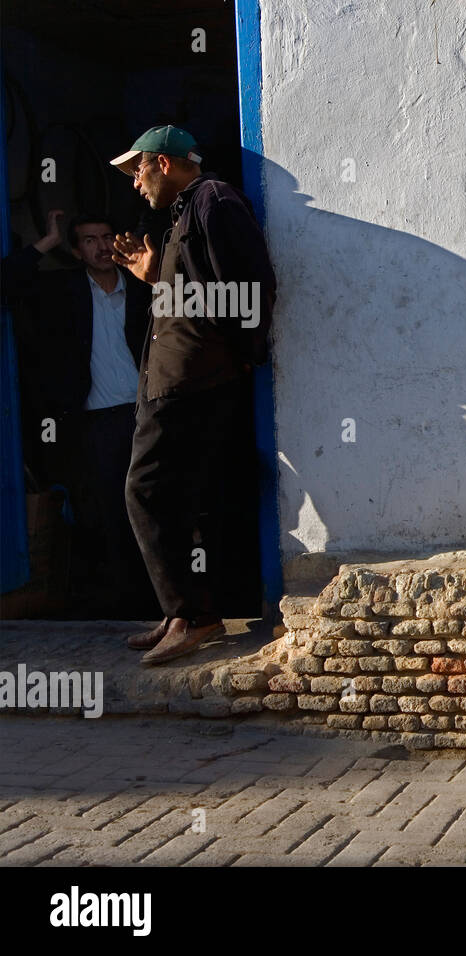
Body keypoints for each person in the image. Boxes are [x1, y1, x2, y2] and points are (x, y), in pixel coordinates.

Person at [108, 125, 276, 665]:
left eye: (137, 169)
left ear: (162, 162)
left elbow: (251, 284)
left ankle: (193, 614)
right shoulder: (184, 211)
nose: (136, 184)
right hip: (176, 377)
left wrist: (241, 354)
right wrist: (156, 275)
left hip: (192, 379)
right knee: (181, 495)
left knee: (145, 489)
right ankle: (185, 613)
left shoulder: (215, 200)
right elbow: (198, 289)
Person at [2, 209, 155, 616]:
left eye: (107, 236)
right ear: (75, 250)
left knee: (156, 508)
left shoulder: (144, 288)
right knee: (107, 513)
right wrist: (47, 242)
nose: (102, 246)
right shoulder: (62, 291)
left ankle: (168, 605)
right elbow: (5, 283)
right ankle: (125, 605)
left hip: (147, 415)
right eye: (89, 239)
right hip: (96, 423)